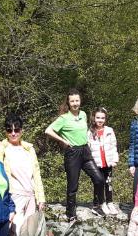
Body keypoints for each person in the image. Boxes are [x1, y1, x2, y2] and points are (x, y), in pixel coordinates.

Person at [0, 113, 46, 236]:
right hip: (13, 196)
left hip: (31, 196)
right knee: (17, 233)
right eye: (9, 130)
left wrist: (41, 197)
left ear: (21, 131)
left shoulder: (29, 149)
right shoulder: (2, 148)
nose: (13, 133)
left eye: (16, 130)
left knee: (30, 233)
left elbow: (36, 174)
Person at [45, 89, 105, 219]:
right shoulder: (64, 118)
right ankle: (71, 214)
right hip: (72, 153)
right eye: (72, 101)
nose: (75, 103)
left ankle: (96, 205)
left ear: (80, 101)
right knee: (73, 186)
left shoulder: (83, 114)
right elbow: (48, 130)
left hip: (85, 150)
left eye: (77, 100)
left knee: (99, 179)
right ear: (68, 102)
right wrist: (63, 140)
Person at [87, 107, 119, 215]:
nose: (100, 120)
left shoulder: (109, 130)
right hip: (97, 163)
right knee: (98, 183)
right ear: (94, 118)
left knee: (108, 182)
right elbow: (88, 148)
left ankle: (110, 202)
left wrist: (115, 159)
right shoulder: (90, 132)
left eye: (102, 118)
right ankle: (100, 203)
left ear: (105, 119)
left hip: (108, 162)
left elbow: (114, 145)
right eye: (98, 117)